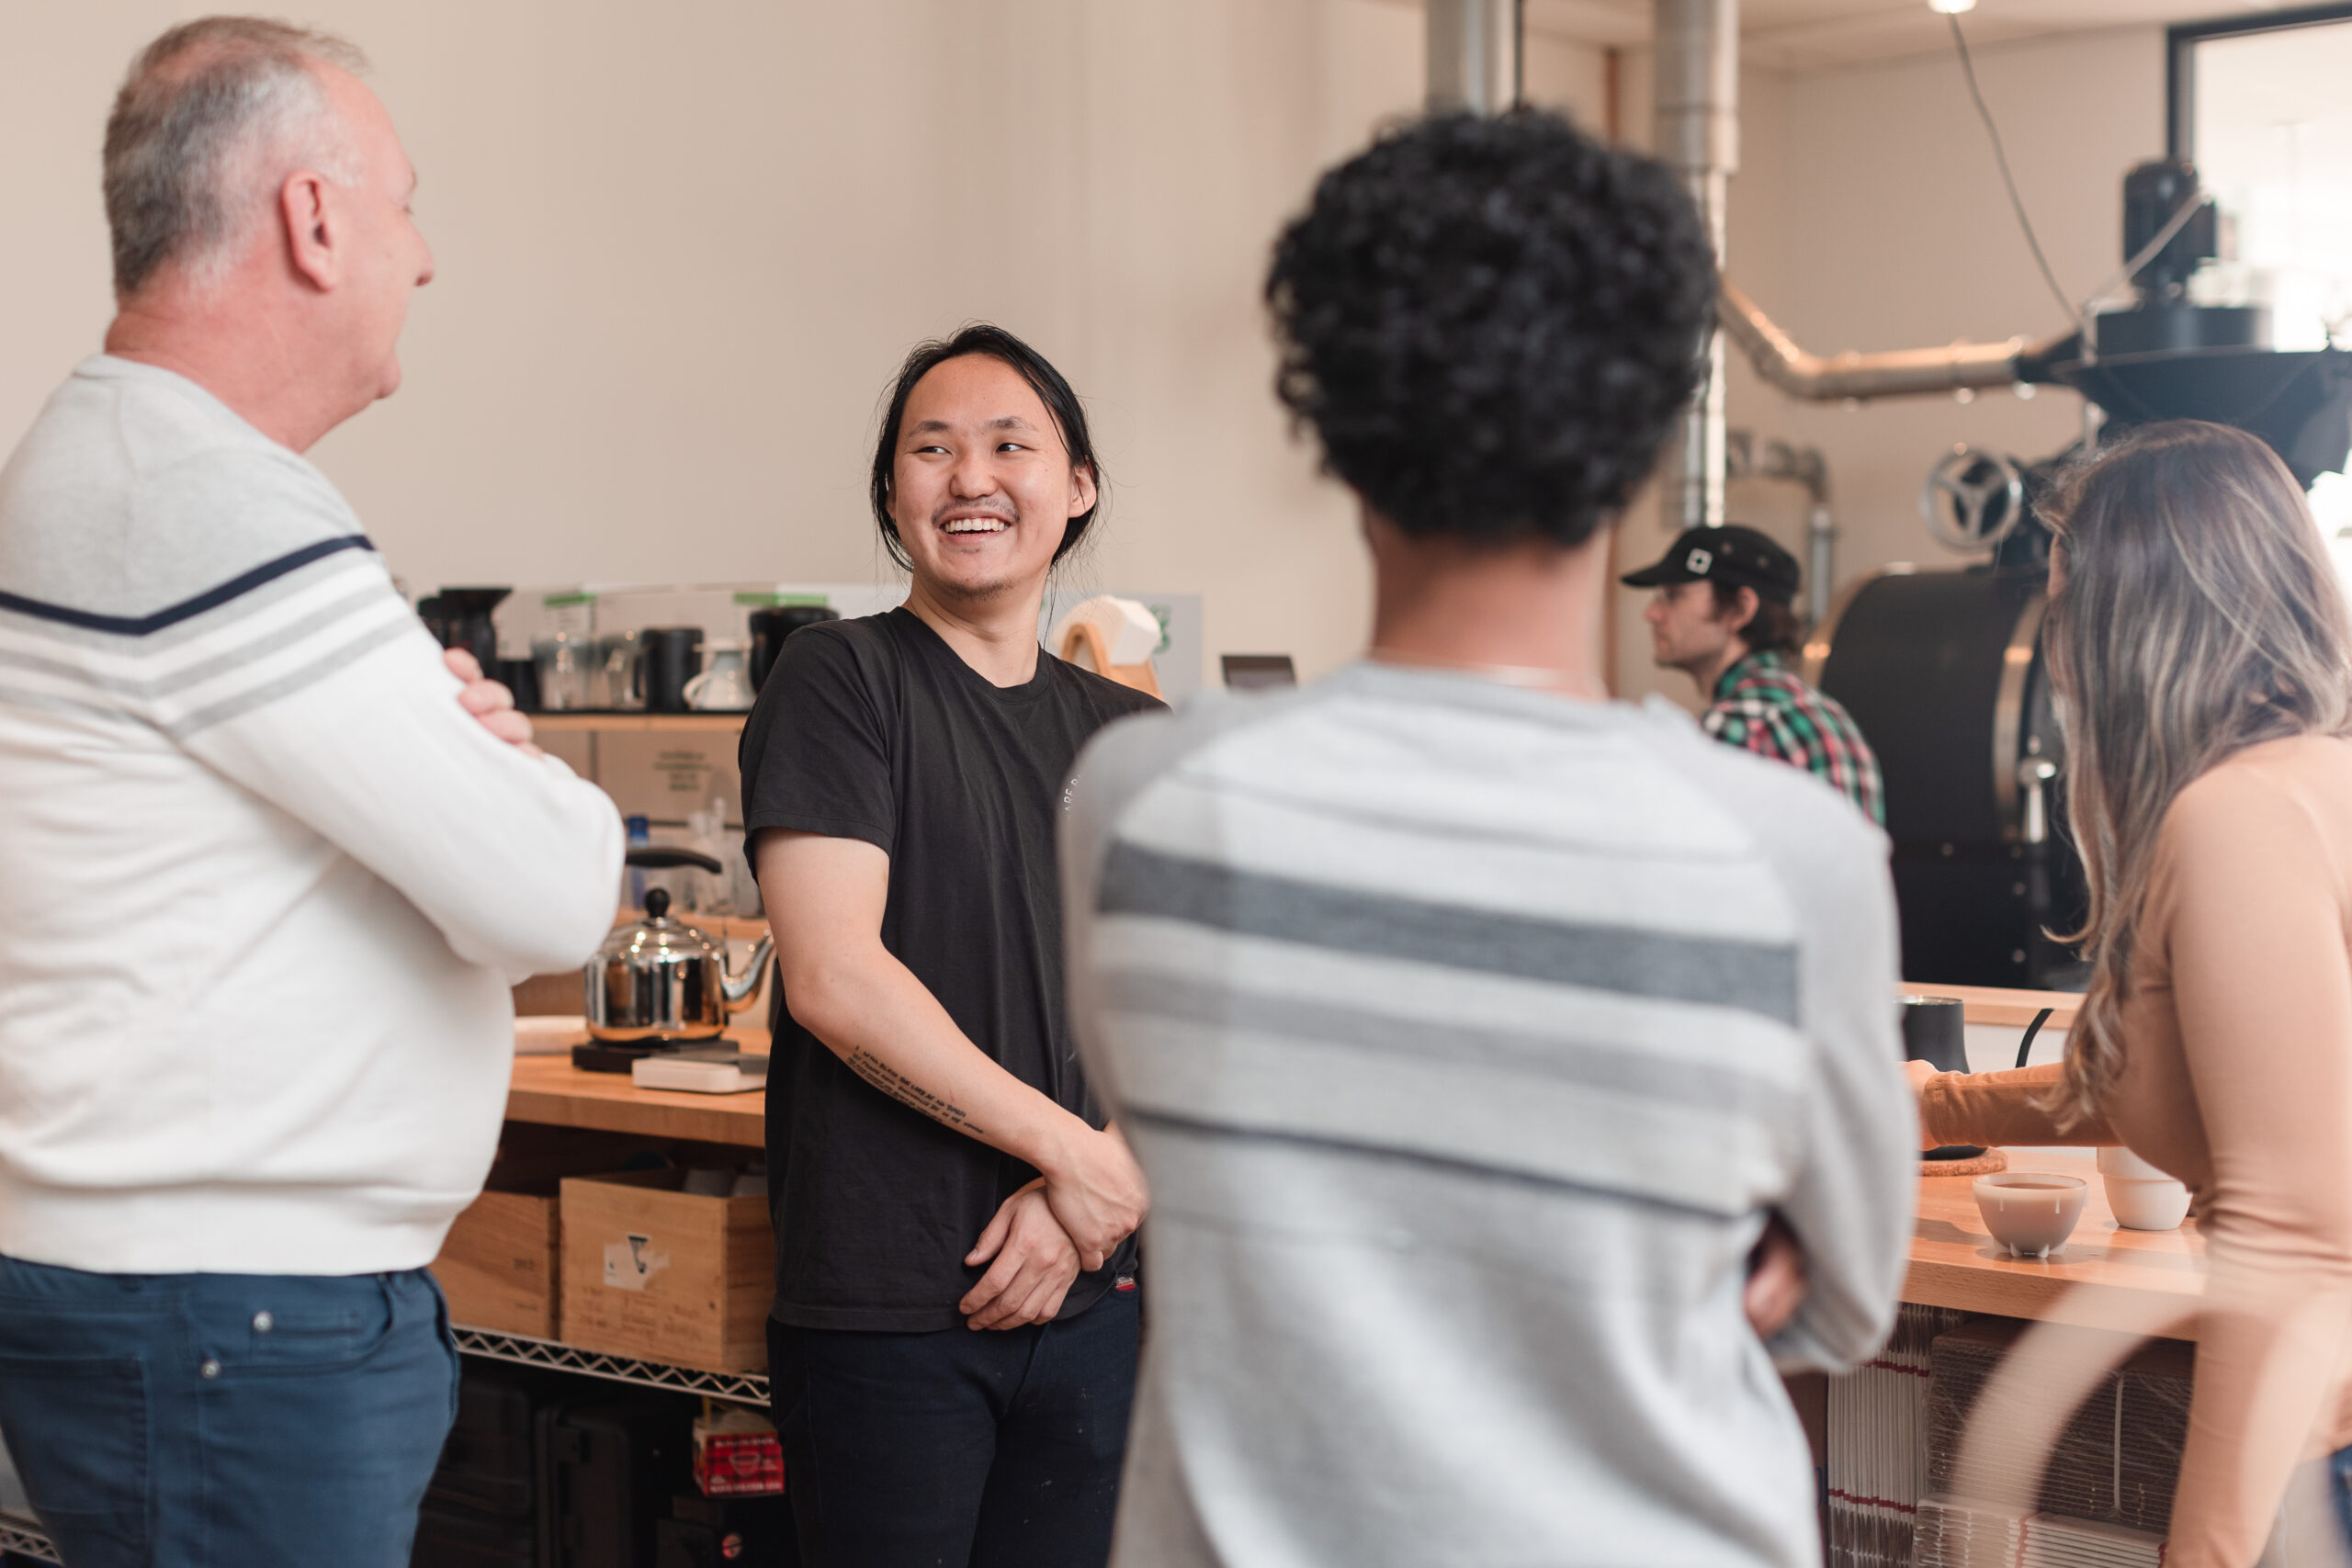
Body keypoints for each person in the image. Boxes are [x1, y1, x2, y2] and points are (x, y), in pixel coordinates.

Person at [1059, 109, 1916, 1568]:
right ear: (1648, 443)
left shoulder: (1140, 804)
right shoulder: (1783, 854)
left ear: (1330, 428)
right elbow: (1844, 1302)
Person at [0, 17, 622, 1568]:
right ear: (315, 217)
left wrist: (463, 750)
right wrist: (512, 761)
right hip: (231, 1324)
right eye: (406, 205)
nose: (425, 260)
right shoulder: (199, 503)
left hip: (198, 1305)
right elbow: (552, 895)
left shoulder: (129, 470)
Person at [739, 323, 1160, 1568]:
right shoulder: (840, 678)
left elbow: (1186, 1006)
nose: (970, 477)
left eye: (1009, 444)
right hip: (891, 1306)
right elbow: (835, 976)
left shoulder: (1128, 732)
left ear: (1075, 486)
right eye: (932, 448)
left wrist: (1094, 1192)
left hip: (1090, 1295)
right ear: (890, 493)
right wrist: (1070, 1155)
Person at [1907, 421, 2352, 1568]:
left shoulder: (2237, 818)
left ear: (2129, 625)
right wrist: (1940, 1105)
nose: (2055, 654)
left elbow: (2294, 1241)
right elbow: (2219, 1084)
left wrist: (2204, 1554)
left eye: (2063, 611)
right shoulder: (2310, 783)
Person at [1623, 523, 1884, 822]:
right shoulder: (1827, 712)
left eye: (1673, 594)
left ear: (1740, 609)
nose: (1651, 613)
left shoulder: (1740, 723)